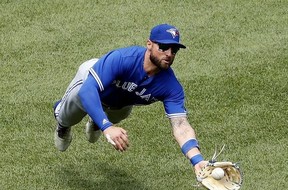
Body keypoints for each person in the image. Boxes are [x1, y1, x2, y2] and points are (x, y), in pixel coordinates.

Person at [53, 23, 207, 173]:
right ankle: (64, 125)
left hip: (120, 103)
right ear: (149, 44)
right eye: (163, 47)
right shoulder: (123, 58)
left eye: (174, 50)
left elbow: (181, 126)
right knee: (67, 116)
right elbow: (87, 90)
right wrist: (107, 127)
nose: (169, 53)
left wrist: (197, 160)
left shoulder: (171, 86)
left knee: (122, 112)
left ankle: (96, 121)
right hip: (89, 83)